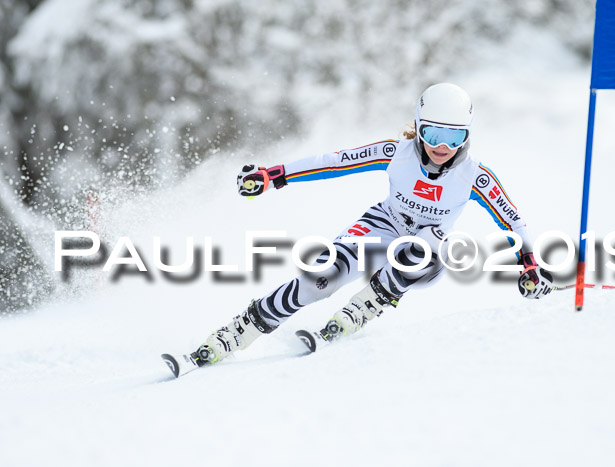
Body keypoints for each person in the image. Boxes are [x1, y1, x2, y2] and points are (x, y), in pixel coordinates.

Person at [194, 83, 553, 365]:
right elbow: (333, 162)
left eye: (454, 138)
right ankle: (242, 329)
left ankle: (370, 303)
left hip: (429, 247)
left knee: (421, 248)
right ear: (419, 127)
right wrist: (274, 175)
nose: (442, 147)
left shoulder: (475, 176)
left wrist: (529, 265)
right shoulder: (395, 152)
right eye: (433, 135)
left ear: (467, 136)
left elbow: (513, 220)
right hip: (382, 225)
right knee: (322, 277)